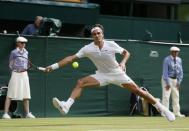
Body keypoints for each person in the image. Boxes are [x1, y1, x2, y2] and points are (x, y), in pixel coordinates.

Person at [45, 24, 175, 122]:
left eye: (99, 33)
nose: (97, 35)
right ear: (92, 36)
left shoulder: (111, 44)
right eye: (94, 34)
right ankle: (66, 106)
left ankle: (162, 109)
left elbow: (126, 53)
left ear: (102, 34)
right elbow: (70, 58)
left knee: (138, 91)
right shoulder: (87, 49)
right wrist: (53, 66)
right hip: (101, 75)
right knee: (81, 82)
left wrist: (123, 63)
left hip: (117, 73)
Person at [2, 36, 35, 119]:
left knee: (26, 94)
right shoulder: (13, 52)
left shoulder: (26, 52)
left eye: (25, 43)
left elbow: (26, 63)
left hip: (24, 74)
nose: (24, 44)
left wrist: (27, 67)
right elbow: (10, 64)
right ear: (18, 43)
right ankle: (5, 114)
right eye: (22, 43)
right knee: (10, 94)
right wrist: (16, 71)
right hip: (15, 73)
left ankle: (27, 113)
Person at [161, 46, 185, 117]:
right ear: (171, 52)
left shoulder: (179, 60)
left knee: (176, 96)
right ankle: (165, 113)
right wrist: (168, 83)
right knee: (166, 96)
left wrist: (179, 81)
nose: (176, 53)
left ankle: (176, 113)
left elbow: (181, 71)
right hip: (167, 79)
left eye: (177, 52)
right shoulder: (166, 59)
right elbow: (165, 72)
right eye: (174, 51)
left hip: (175, 80)